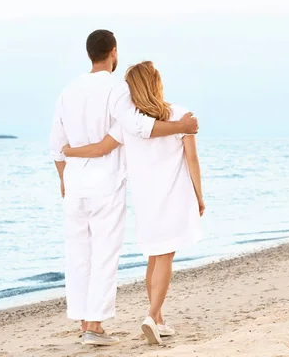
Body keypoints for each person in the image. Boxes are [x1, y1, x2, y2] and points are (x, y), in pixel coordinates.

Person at [49, 31, 199, 346]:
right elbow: (139, 127)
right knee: (104, 254)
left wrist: (64, 178)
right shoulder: (118, 90)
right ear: (113, 53)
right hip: (105, 184)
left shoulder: (68, 91)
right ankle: (95, 326)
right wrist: (182, 127)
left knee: (77, 255)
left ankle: (82, 320)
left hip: (74, 186)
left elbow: (56, 146)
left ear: (89, 53)